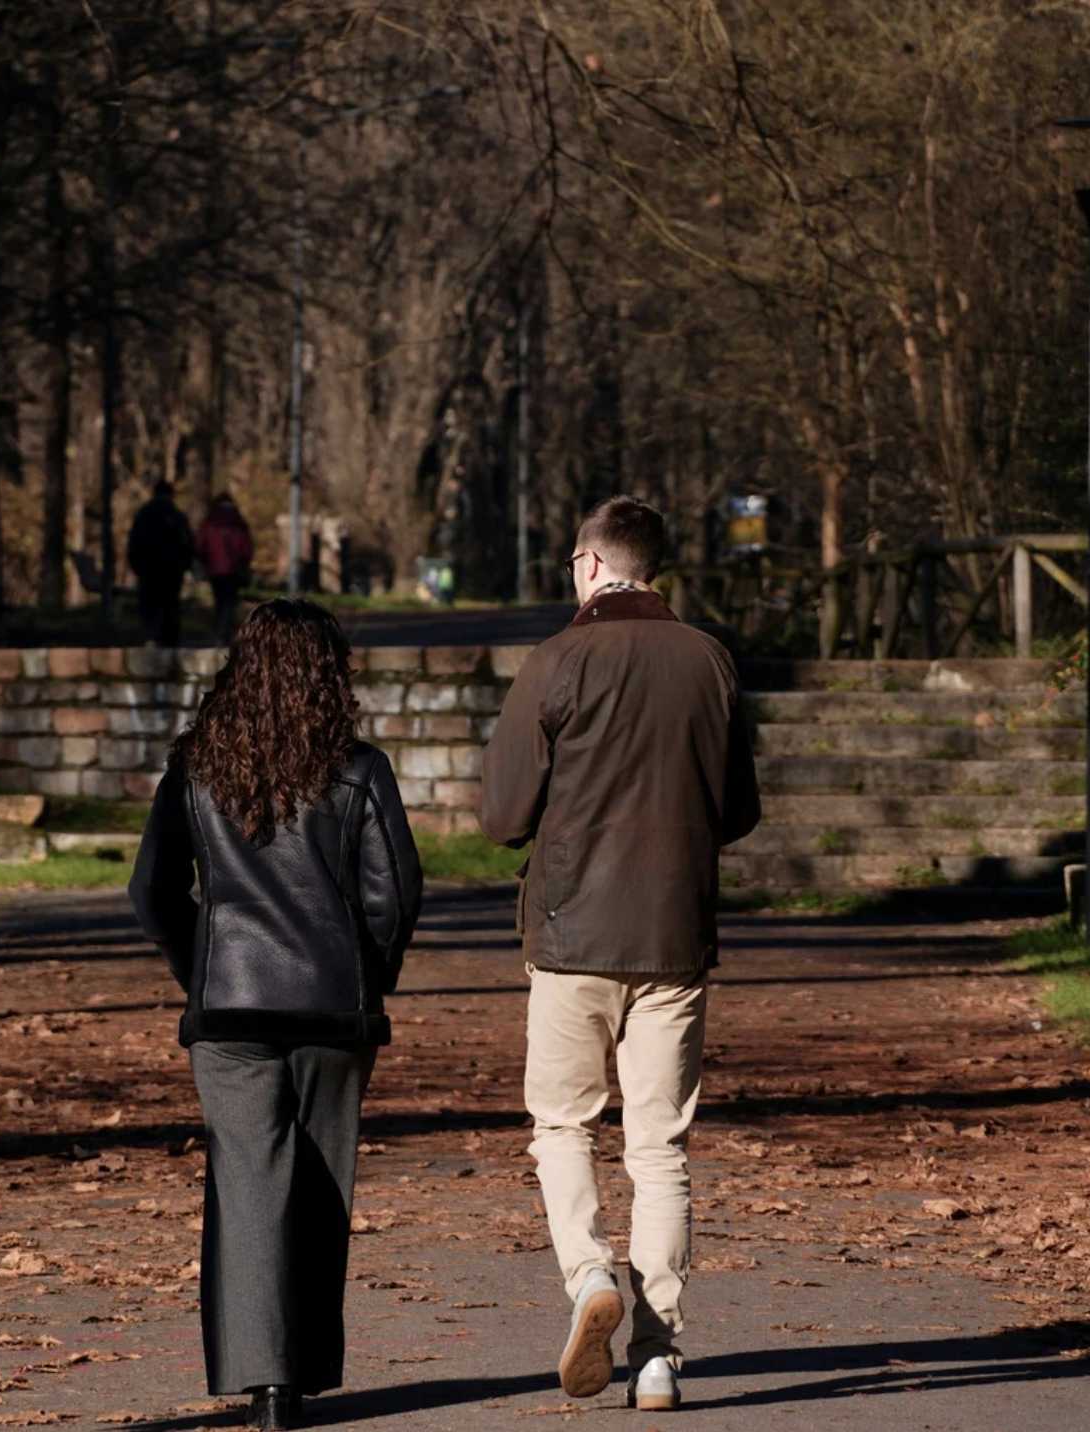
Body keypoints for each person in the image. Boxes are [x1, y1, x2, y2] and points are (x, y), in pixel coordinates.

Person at [478, 495, 761, 1413]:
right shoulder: (710, 660)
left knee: (563, 1126)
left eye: (573, 563)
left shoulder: (559, 660)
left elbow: (503, 816)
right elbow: (740, 808)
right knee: (661, 1148)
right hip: (675, 934)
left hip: (569, 936)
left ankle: (590, 1277)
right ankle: (657, 1355)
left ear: (592, 566)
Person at [130, 598, 423, 1432]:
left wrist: (204, 968)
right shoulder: (359, 769)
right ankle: (300, 1369)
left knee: (249, 1190)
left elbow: (151, 891)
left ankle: (267, 1389)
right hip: (334, 1011)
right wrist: (368, 978)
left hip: (230, 1012)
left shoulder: (195, 766)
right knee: (323, 1187)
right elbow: (394, 893)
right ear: (329, 676)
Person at [127, 480, 194, 646]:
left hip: (148, 568)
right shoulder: (176, 516)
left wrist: (137, 565)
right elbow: (187, 544)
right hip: (171, 569)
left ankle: (150, 637)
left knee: (150, 605)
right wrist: (184, 565)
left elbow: (134, 543)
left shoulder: (144, 514)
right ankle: (169, 641)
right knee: (170, 605)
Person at [196, 493, 256, 643]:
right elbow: (246, 547)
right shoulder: (238, 520)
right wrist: (244, 562)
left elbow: (200, 545)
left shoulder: (210, 520)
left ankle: (220, 631)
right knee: (230, 601)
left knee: (219, 600)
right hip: (233, 569)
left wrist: (204, 562)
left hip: (214, 568)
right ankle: (226, 631)